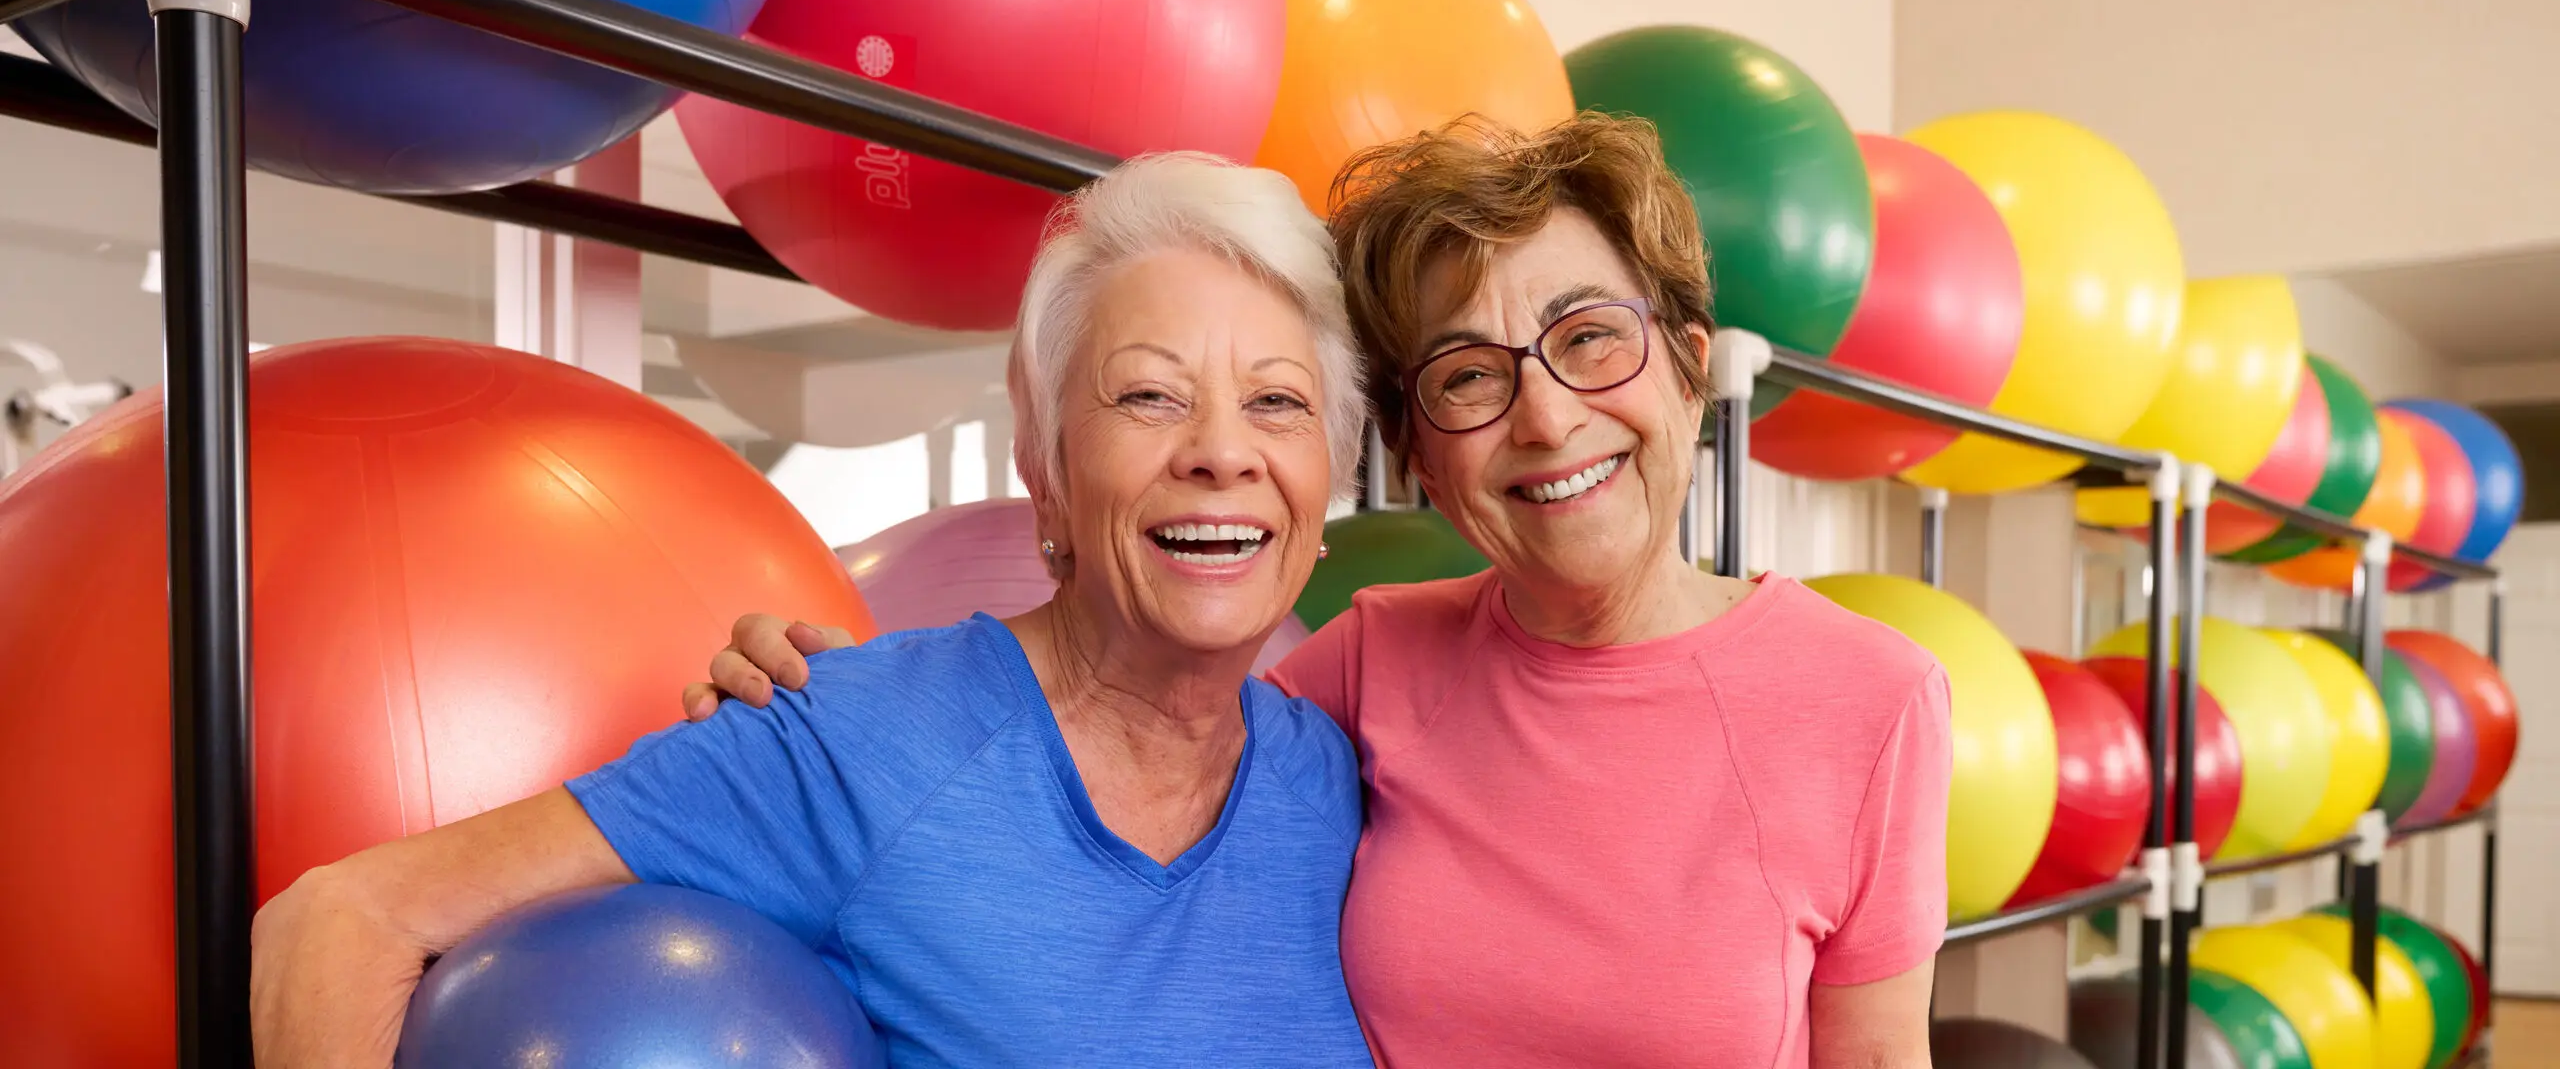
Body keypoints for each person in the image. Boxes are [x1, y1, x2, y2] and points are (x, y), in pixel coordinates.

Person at [705, 113, 1951, 1069]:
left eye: (1588, 339)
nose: (1547, 416)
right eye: (1469, 376)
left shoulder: (1873, 700)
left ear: (1686, 369)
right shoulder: (1368, 660)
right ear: (1419, 456)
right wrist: (830, 707)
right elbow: (1105, 743)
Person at [248, 152, 1379, 1068]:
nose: (1223, 452)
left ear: (1325, 474)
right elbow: (342, 919)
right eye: (1149, 395)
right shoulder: (853, 734)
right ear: (1046, 467)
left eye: (1278, 403)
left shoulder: (1337, 780)